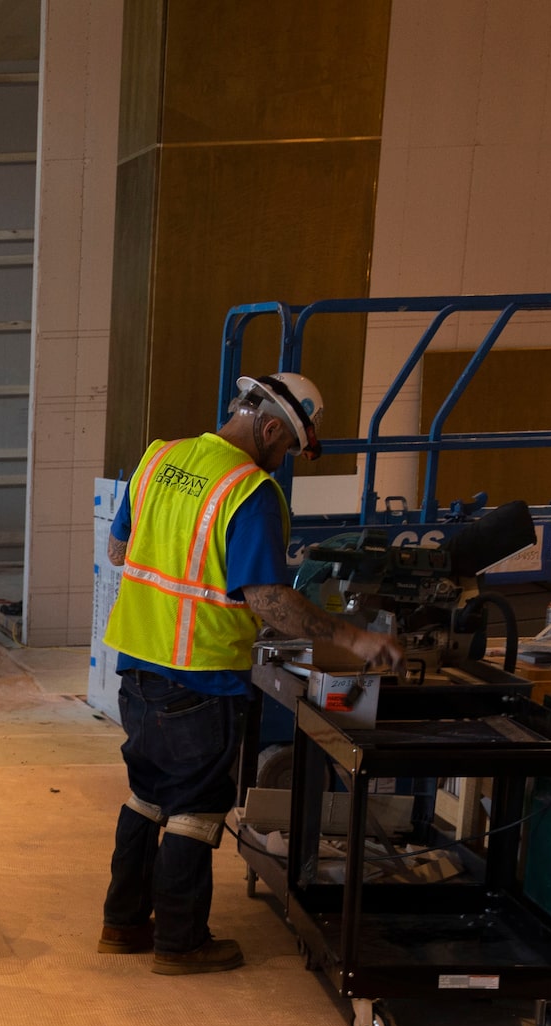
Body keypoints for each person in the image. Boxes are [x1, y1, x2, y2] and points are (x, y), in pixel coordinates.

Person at [102, 374, 395, 973]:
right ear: (267, 428)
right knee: (196, 809)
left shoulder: (158, 458)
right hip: (202, 676)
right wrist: (353, 639)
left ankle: (123, 924)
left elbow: (117, 551)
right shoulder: (250, 490)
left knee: (146, 796)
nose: (284, 461)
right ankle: (180, 944)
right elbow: (268, 601)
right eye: (286, 447)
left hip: (135, 667)